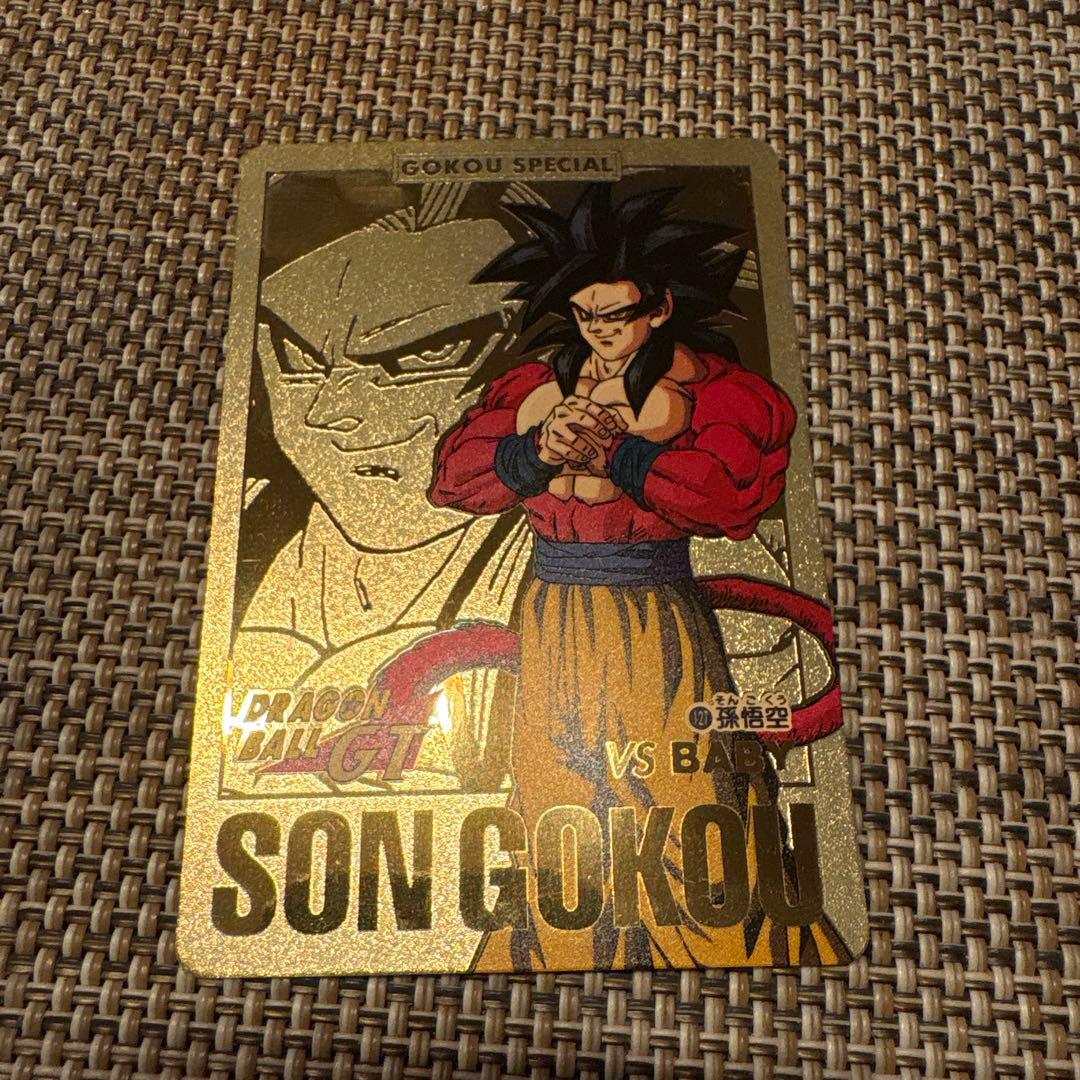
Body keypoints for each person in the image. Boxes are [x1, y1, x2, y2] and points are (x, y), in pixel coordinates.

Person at [429, 183, 835, 968]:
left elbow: (731, 497)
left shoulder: (719, 390)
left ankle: (734, 956)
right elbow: (453, 479)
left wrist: (622, 455)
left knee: (687, 804)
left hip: (651, 612)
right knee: (552, 805)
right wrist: (534, 452)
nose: (602, 331)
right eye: (587, 315)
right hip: (552, 611)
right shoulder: (534, 387)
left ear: (660, 306)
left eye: (617, 314)